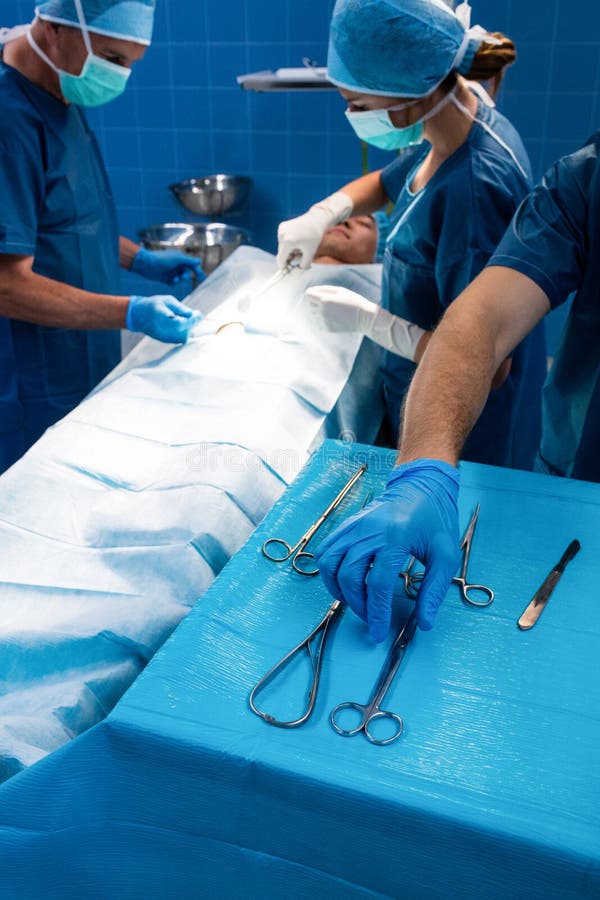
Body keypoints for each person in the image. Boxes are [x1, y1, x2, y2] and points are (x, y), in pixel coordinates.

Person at [315, 132, 600, 643]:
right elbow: (479, 321)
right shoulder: (586, 180)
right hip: (582, 486)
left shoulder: (478, 180)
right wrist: (423, 469)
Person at [278, 0, 546, 470]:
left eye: (359, 105)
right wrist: (322, 214)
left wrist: (371, 322)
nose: (352, 115)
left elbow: (492, 366)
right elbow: (387, 181)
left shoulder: (477, 189)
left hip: (461, 431)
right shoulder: (454, 118)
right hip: (415, 389)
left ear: (411, 93)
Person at [0, 0, 204, 474]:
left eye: (130, 63)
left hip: (78, 361)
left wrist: (139, 259)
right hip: (30, 383)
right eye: (112, 58)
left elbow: (60, 221)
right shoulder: (10, 120)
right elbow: (6, 284)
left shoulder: (57, 88)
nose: (119, 76)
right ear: (53, 29)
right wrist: (129, 311)